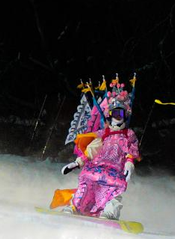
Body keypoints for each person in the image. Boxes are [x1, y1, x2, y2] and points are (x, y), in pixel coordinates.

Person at [53, 76, 140, 220]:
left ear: (125, 115)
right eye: (115, 113)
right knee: (86, 186)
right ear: (109, 115)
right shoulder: (103, 134)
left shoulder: (128, 134)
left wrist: (129, 164)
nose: (117, 117)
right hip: (96, 167)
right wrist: (78, 163)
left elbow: (130, 151)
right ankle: (75, 207)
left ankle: (109, 211)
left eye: (121, 114)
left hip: (115, 170)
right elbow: (92, 150)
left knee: (113, 190)